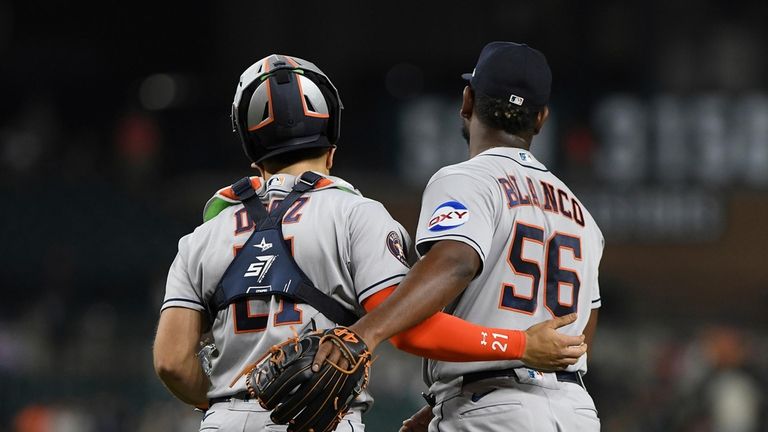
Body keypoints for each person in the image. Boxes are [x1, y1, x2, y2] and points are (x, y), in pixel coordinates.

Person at [152, 52, 587, 432]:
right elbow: (408, 324)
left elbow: (171, 361)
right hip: (322, 423)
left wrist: (228, 405)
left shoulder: (200, 238)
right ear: (332, 140)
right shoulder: (359, 216)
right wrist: (518, 347)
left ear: (249, 144)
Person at [314, 42, 604, 431]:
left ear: (467, 101)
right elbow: (581, 334)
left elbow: (456, 262)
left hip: (495, 409)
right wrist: (443, 402)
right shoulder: (583, 217)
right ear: (541, 119)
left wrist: (363, 333)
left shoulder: (468, 179)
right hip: (575, 411)